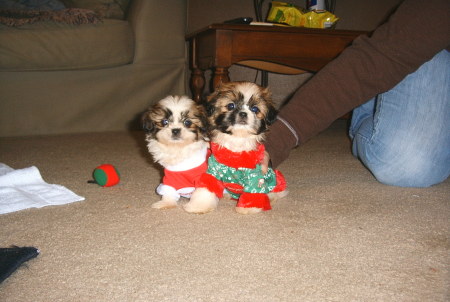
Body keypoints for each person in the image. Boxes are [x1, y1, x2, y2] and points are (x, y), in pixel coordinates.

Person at [263, 0, 450, 188]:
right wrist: (274, 143)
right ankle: (368, 115)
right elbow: (373, 61)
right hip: (430, 53)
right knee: (405, 165)